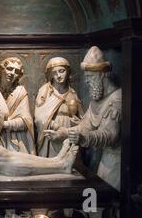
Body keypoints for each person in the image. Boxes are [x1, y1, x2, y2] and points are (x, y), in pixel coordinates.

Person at [45, 46, 121, 190]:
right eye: (86, 76)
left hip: (118, 162)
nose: (86, 81)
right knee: (101, 198)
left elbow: (111, 135)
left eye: (90, 76)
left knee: (111, 198)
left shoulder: (117, 99)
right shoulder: (97, 100)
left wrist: (83, 137)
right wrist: (63, 133)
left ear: (103, 74)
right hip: (105, 159)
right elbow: (85, 126)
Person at [35, 57, 83, 157]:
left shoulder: (72, 93)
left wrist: (77, 122)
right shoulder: (45, 91)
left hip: (68, 133)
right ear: (50, 75)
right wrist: (56, 127)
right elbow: (39, 117)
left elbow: (82, 118)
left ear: (68, 72)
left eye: (62, 71)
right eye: (54, 73)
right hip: (51, 132)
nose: (58, 75)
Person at [0, 57, 35, 154]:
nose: (12, 73)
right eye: (9, 69)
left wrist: (5, 124)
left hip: (14, 138)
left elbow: (26, 121)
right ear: (1, 70)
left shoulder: (20, 92)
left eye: (16, 71)